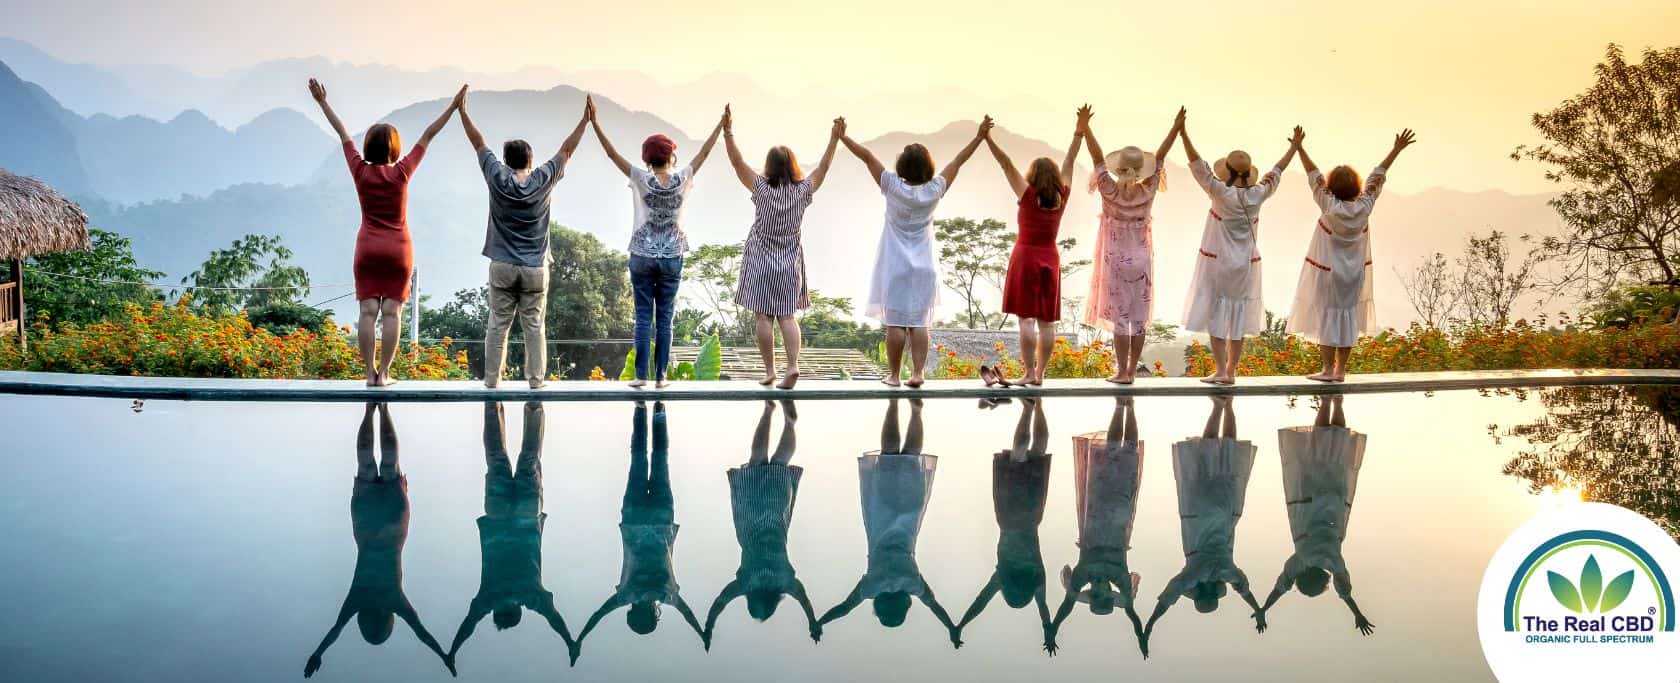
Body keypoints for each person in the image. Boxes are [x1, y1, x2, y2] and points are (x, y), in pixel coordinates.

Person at [308, 79, 463, 387]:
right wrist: (454, 107)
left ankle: (368, 374)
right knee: (392, 312)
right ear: (394, 148)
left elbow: (341, 133)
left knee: (368, 311)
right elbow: (428, 135)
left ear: (368, 147)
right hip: (398, 248)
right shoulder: (402, 172)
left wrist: (323, 102)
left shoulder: (359, 170)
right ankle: (385, 374)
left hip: (367, 247)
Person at [588, 96, 725, 388]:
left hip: (641, 253)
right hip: (672, 254)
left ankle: (640, 376)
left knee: (642, 318)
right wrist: (721, 128)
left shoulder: (640, 178)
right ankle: (660, 377)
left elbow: (612, 155)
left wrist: (595, 124)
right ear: (671, 157)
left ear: (646, 160)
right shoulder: (683, 178)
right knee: (665, 320)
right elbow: (703, 154)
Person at [305, 403, 451, 678]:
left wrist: (444, 655)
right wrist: (317, 653)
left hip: (394, 526)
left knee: (390, 464)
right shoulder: (357, 601)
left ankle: (382, 410)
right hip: (367, 523)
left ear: (389, 622)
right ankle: (372, 408)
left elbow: (421, 632)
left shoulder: (394, 601)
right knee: (366, 463)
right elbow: (335, 631)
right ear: (363, 622)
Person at [841, 119, 989, 387]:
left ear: (901, 167)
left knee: (896, 324)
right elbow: (958, 162)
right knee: (920, 323)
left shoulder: (892, 186)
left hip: (895, 265)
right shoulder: (934, 190)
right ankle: (918, 373)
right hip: (924, 268)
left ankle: (895, 375)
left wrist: (842, 137)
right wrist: (979, 137)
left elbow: (867, 157)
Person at [458, 90, 590, 388]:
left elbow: (478, 143)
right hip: (535, 268)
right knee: (534, 326)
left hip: (502, 264)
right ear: (531, 160)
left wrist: (462, 113)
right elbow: (567, 150)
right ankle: (535, 381)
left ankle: (492, 381)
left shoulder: (497, 177)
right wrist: (585, 121)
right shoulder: (543, 178)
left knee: (497, 325)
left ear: (505, 160)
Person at [820, 399, 961, 647]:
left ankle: (916, 411)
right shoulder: (871, 588)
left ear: (904, 607)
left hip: (909, 511)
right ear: (880, 608)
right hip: (881, 512)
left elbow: (935, 606)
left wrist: (952, 627)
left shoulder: (914, 586)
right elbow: (845, 607)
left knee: (911, 456)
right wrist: (819, 623)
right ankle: (893, 405)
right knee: (888, 455)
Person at [571, 402, 704, 665]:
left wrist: (702, 632)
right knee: (638, 458)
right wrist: (580, 639)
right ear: (632, 613)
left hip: (661, 519)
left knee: (660, 459)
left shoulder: (667, 595)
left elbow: (688, 614)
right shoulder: (626, 595)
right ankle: (641, 409)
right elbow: (599, 614)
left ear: (653, 615)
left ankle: (658, 410)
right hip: (633, 519)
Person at [722, 108, 845, 389]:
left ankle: (769, 371)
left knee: (763, 315)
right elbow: (823, 168)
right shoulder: (803, 191)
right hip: (790, 261)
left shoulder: (761, 188)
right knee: (787, 316)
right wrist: (834, 139)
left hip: (760, 260)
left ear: (768, 165)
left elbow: (736, 161)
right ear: (792, 166)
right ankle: (793, 366)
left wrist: (728, 131)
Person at [446, 402, 574, 669]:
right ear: (497, 611)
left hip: (527, 516)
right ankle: (493, 404)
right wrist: (452, 651)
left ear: (518, 611)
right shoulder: (489, 597)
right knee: (495, 457)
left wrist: (569, 641)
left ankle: (534, 405)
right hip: (497, 513)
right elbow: (469, 623)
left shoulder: (531, 597)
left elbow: (555, 619)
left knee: (529, 458)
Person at [1179, 116, 1303, 384]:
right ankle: (1231, 371)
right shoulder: (1258, 194)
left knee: (1217, 313)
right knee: (1236, 315)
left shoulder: (1219, 192)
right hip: (1246, 264)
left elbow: (1197, 165)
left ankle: (1221, 370)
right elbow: (1277, 171)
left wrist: (1183, 133)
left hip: (1218, 262)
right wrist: (1294, 148)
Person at [1288, 130, 1417, 382]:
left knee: (1327, 315)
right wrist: (1396, 150)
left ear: (1332, 187)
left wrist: (1299, 148)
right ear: (1355, 186)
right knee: (1346, 317)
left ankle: (1327, 369)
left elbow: (1313, 175)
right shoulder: (1364, 206)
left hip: (1327, 273)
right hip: (1353, 274)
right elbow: (1378, 176)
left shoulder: (1329, 205)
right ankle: (1340, 370)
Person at [1143, 396, 1262, 655]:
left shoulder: (1228, 571)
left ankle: (1227, 405)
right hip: (1197, 510)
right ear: (1196, 593)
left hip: (1225, 507)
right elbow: (1166, 600)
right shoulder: (1191, 575)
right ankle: (1217, 406)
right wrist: (1149, 626)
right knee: (1203, 456)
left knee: (1226, 452)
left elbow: (1244, 591)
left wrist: (1259, 610)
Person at [702, 400, 821, 649]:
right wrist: (709, 626)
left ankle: (788, 422)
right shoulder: (748, 585)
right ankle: (769, 411)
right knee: (759, 460)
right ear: (755, 600)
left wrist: (812, 621)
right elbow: (721, 601)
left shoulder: (784, 585)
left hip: (772, 512)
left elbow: (804, 601)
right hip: (753, 513)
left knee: (778, 461)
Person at [1081, 106, 1185, 384]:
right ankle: (1131, 370)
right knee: (1137, 319)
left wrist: (1085, 127)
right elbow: (1161, 156)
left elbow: (1095, 156)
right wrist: (1176, 128)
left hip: (1114, 261)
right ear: (1141, 170)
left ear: (1118, 168)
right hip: (1141, 261)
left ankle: (1120, 371)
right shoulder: (1147, 190)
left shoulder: (1109, 189)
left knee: (1119, 319)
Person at [1256, 394, 1375, 635]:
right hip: (1310, 498)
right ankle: (1326, 402)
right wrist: (1263, 609)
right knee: (1318, 452)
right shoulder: (1300, 559)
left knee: (1337, 454)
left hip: (1335, 498)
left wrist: (1358, 613)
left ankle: (1337, 403)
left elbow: (1345, 592)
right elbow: (1282, 586)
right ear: (1302, 576)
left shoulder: (1334, 561)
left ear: (1323, 580)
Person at [977, 114, 1080, 387]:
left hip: (1025, 257)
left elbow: (1006, 164)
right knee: (1047, 323)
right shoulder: (1062, 196)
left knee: (1026, 321)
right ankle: (1040, 375)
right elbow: (1069, 161)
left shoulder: (1027, 194)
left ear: (1033, 175)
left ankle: (1028, 372)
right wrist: (1079, 133)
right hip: (1050, 257)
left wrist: (987, 138)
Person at [1049, 397, 1147, 656]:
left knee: (1111, 452)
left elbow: (1067, 605)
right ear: (1109, 595)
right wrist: (1141, 635)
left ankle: (1120, 406)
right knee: (1129, 454)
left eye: (1096, 597)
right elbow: (1131, 611)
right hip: (1118, 516)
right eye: (1105, 598)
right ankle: (1130, 406)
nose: (1101, 593)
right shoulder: (1120, 581)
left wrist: (1054, 628)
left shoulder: (1083, 576)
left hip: (1096, 514)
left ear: (1092, 594)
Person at [957, 397, 1055, 654]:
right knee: (1018, 458)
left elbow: (1043, 608)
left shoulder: (1035, 578)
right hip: (1009, 515)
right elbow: (981, 601)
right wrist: (960, 626)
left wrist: (1049, 629)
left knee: (1037, 454)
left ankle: (1038, 406)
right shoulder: (1002, 578)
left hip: (1032, 515)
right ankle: (1027, 408)